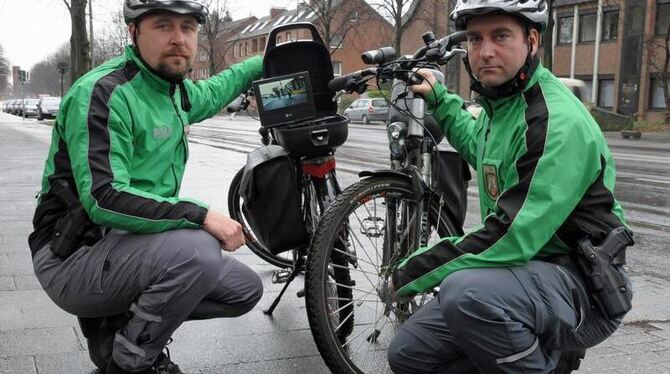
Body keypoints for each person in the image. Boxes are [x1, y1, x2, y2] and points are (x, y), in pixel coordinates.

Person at [387, 0, 632, 373]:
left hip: (584, 286)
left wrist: (410, 273)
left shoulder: (555, 121)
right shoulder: (502, 108)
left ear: (531, 41)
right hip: (522, 278)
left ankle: (547, 358)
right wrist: (439, 99)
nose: (485, 51)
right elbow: (478, 145)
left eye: (500, 36)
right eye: (475, 38)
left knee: (465, 294)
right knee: (409, 353)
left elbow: (510, 236)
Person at [28, 1, 264, 373]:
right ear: (134, 32)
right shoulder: (104, 92)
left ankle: (118, 324)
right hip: (72, 252)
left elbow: (220, 87)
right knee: (198, 250)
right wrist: (200, 215)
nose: (178, 39)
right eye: (163, 26)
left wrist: (265, 62)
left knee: (244, 291)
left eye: (188, 27)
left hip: (131, 246)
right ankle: (132, 361)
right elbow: (103, 198)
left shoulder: (173, 92)